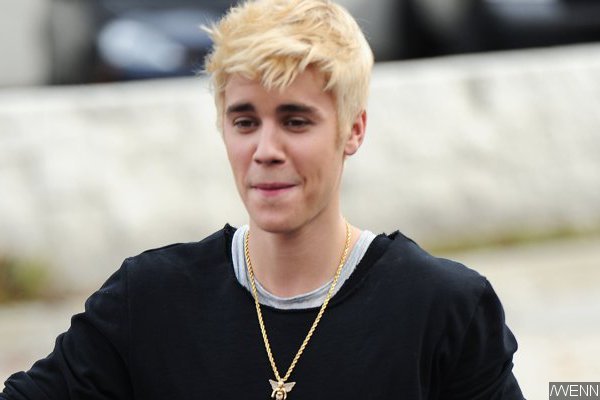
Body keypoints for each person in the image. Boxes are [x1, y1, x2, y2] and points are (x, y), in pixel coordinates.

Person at [1, 0, 524, 399]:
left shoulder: (443, 309)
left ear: (353, 129)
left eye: (295, 121)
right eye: (245, 121)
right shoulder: (149, 301)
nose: (266, 150)